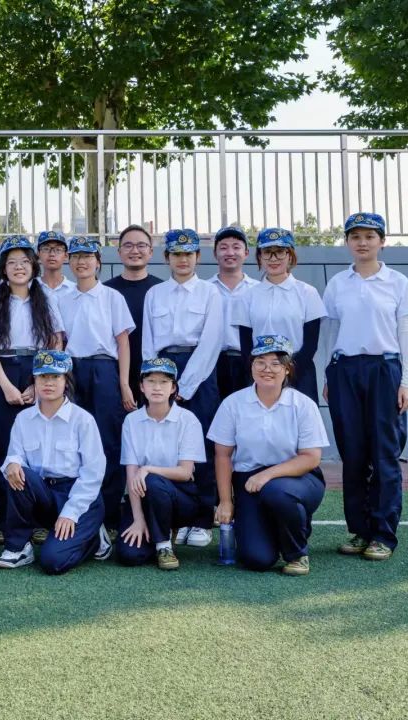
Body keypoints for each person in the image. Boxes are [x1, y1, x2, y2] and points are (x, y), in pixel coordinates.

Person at [324, 213, 408, 562]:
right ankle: (360, 530)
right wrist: (329, 374)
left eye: (369, 236)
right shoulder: (338, 283)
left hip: (384, 369)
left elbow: (406, 334)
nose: (362, 243)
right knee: (352, 453)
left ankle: (383, 534)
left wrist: (406, 382)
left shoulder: (397, 282)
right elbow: (332, 331)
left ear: (382, 241)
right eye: (355, 237)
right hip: (345, 371)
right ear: (347, 242)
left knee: (384, 454)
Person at [209, 335, 329, 576]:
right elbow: (222, 456)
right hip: (248, 481)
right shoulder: (233, 404)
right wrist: (226, 501)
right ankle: (277, 529)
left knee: (277, 492)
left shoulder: (303, 405)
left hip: (297, 478)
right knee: (257, 559)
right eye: (260, 362)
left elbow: (310, 457)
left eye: (276, 363)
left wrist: (267, 475)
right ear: (251, 366)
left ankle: (297, 554)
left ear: (287, 369)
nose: (267, 369)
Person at [0, 235, 64, 544]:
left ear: (33, 266)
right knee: (1, 448)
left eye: (24, 262)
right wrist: (6, 386)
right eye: (12, 262)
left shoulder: (45, 297)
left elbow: (55, 342)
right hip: (0, 371)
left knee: (38, 449)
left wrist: (36, 384)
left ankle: (38, 520)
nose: (18, 267)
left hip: (37, 370)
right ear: (3, 268)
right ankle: (4, 522)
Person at [141, 229, 224, 548]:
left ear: (198, 257)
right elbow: (148, 341)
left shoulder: (209, 293)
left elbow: (211, 342)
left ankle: (201, 520)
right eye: (176, 254)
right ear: (167, 258)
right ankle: (173, 518)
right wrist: (154, 380)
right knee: (165, 444)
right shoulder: (155, 294)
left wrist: (185, 386)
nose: (183, 259)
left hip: (198, 372)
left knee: (200, 447)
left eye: (188, 254)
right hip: (163, 368)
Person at [0, 349, 113, 573]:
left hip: (78, 496)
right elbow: (15, 454)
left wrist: (71, 513)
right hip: (45, 494)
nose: (48, 383)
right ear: (34, 381)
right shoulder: (23, 419)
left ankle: (94, 538)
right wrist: (12, 463)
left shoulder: (83, 420)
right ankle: (18, 547)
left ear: (66, 381)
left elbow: (93, 473)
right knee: (17, 471)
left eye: (55, 377)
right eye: (42, 377)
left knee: (53, 561)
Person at [56, 236, 135, 532]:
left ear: (98, 262)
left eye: (88, 257)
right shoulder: (62, 298)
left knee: (107, 440)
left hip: (104, 369)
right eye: (76, 257)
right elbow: (58, 341)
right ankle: (76, 511)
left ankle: (109, 514)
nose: (82, 262)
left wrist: (124, 384)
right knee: (72, 438)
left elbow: (123, 343)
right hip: (71, 370)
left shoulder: (112, 297)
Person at [116, 358, 207, 570]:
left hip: (180, 498)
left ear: (173, 388)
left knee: (153, 480)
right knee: (130, 555)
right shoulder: (132, 421)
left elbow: (185, 472)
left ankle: (163, 545)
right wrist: (138, 519)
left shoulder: (188, 419)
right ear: (141, 386)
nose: (157, 387)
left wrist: (147, 469)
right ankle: (155, 531)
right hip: (143, 496)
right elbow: (131, 473)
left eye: (164, 382)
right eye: (151, 381)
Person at [232, 228, 326, 403]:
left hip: (299, 373)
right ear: (259, 257)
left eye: (280, 252)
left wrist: (287, 371)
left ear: (290, 255)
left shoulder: (307, 292)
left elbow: (311, 344)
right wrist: (263, 370)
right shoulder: (248, 296)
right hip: (261, 374)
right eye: (267, 252)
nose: (273, 259)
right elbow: (245, 345)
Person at [105, 224, 163, 403]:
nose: (135, 251)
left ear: (151, 252)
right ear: (119, 252)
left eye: (141, 245)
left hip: (155, 372)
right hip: (114, 374)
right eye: (128, 245)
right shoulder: (105, 291)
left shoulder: (163, 290)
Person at [207, 226, 259, 400]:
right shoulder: (204, 289)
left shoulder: (259, 289)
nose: (230, 253)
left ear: (246, 253)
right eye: (223, 248)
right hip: (212, 363)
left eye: (236, 247)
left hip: (249, 361)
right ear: (215, 254)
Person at [36, 230, 76, 299]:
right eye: (46, 249)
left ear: (66, 256)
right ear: (38, 255)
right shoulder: (30, 288)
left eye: (58, 250)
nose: (52, 254)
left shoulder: (74, 290)